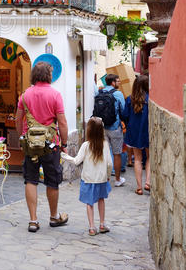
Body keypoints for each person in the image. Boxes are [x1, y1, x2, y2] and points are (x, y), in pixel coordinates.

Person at [15, 61, 69, 232]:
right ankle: (53, 217)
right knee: (52, 180)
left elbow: (18, 119)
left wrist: (21, 136)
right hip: (51, 144)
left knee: (30, 179)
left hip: (31, 144)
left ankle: (33, 220)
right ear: (48, 75)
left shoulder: (24, 96)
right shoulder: (55, 95)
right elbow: (62, 122)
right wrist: (64, 144)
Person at [61, 117, 113, 236]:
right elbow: (109, 163)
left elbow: (76, 161)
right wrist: (108, 175)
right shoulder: (105, 144)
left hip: (88, 179)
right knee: (101, 200)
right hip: (102, 179)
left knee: (89, 204)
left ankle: (91, 227)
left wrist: (64, 156)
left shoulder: (86, 145)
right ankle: (102, 224)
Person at [94, 73, 126, 187]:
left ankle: (105, 179)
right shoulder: (118, 94)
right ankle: (117, 179)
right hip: (114, 127)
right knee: (117, 153)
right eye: (118, 81)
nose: (119, 83)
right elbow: (123, 110)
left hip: (102, 128)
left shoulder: (99, 92)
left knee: (104, 153)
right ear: (113, 82)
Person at [123, 74, 151, 194]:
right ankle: (148, 182)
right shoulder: (150, 99)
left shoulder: (130, 99)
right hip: (148, 130)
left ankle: (139, 187)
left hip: (134, 131)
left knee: (138, 159)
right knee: (149, 157)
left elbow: (124, 115)